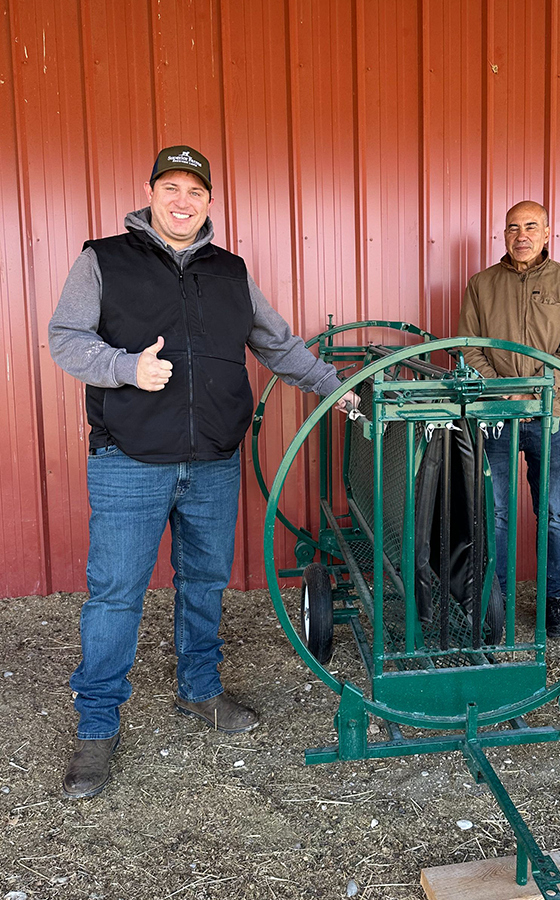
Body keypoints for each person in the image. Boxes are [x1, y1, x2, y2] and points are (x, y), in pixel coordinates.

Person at [49, 145, 356, 799]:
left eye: (195, 190)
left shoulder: (231, 272)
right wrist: (128, 369)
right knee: (115, 596)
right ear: (150, 194)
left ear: (210, 202)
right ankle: (97, 728)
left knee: (204, 583)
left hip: (213, 461)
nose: (182, 201)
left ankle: (199, 689)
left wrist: (338, 389)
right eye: (171, 188)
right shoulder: (102, 259)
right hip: (129, 461)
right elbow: (66, 338)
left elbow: (278, 344)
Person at [458, 201, 560, 639]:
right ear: (504, 235)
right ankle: (494, 604)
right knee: (493, 511)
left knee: (551, 512)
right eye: (513, 227)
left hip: (549, 415)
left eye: (531, 226)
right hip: (496, 415)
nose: (521, 235)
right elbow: (468, 347)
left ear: (547, 232)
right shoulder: (481, 285)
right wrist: (502, 389)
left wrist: (533, 387)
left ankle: (552, 601)